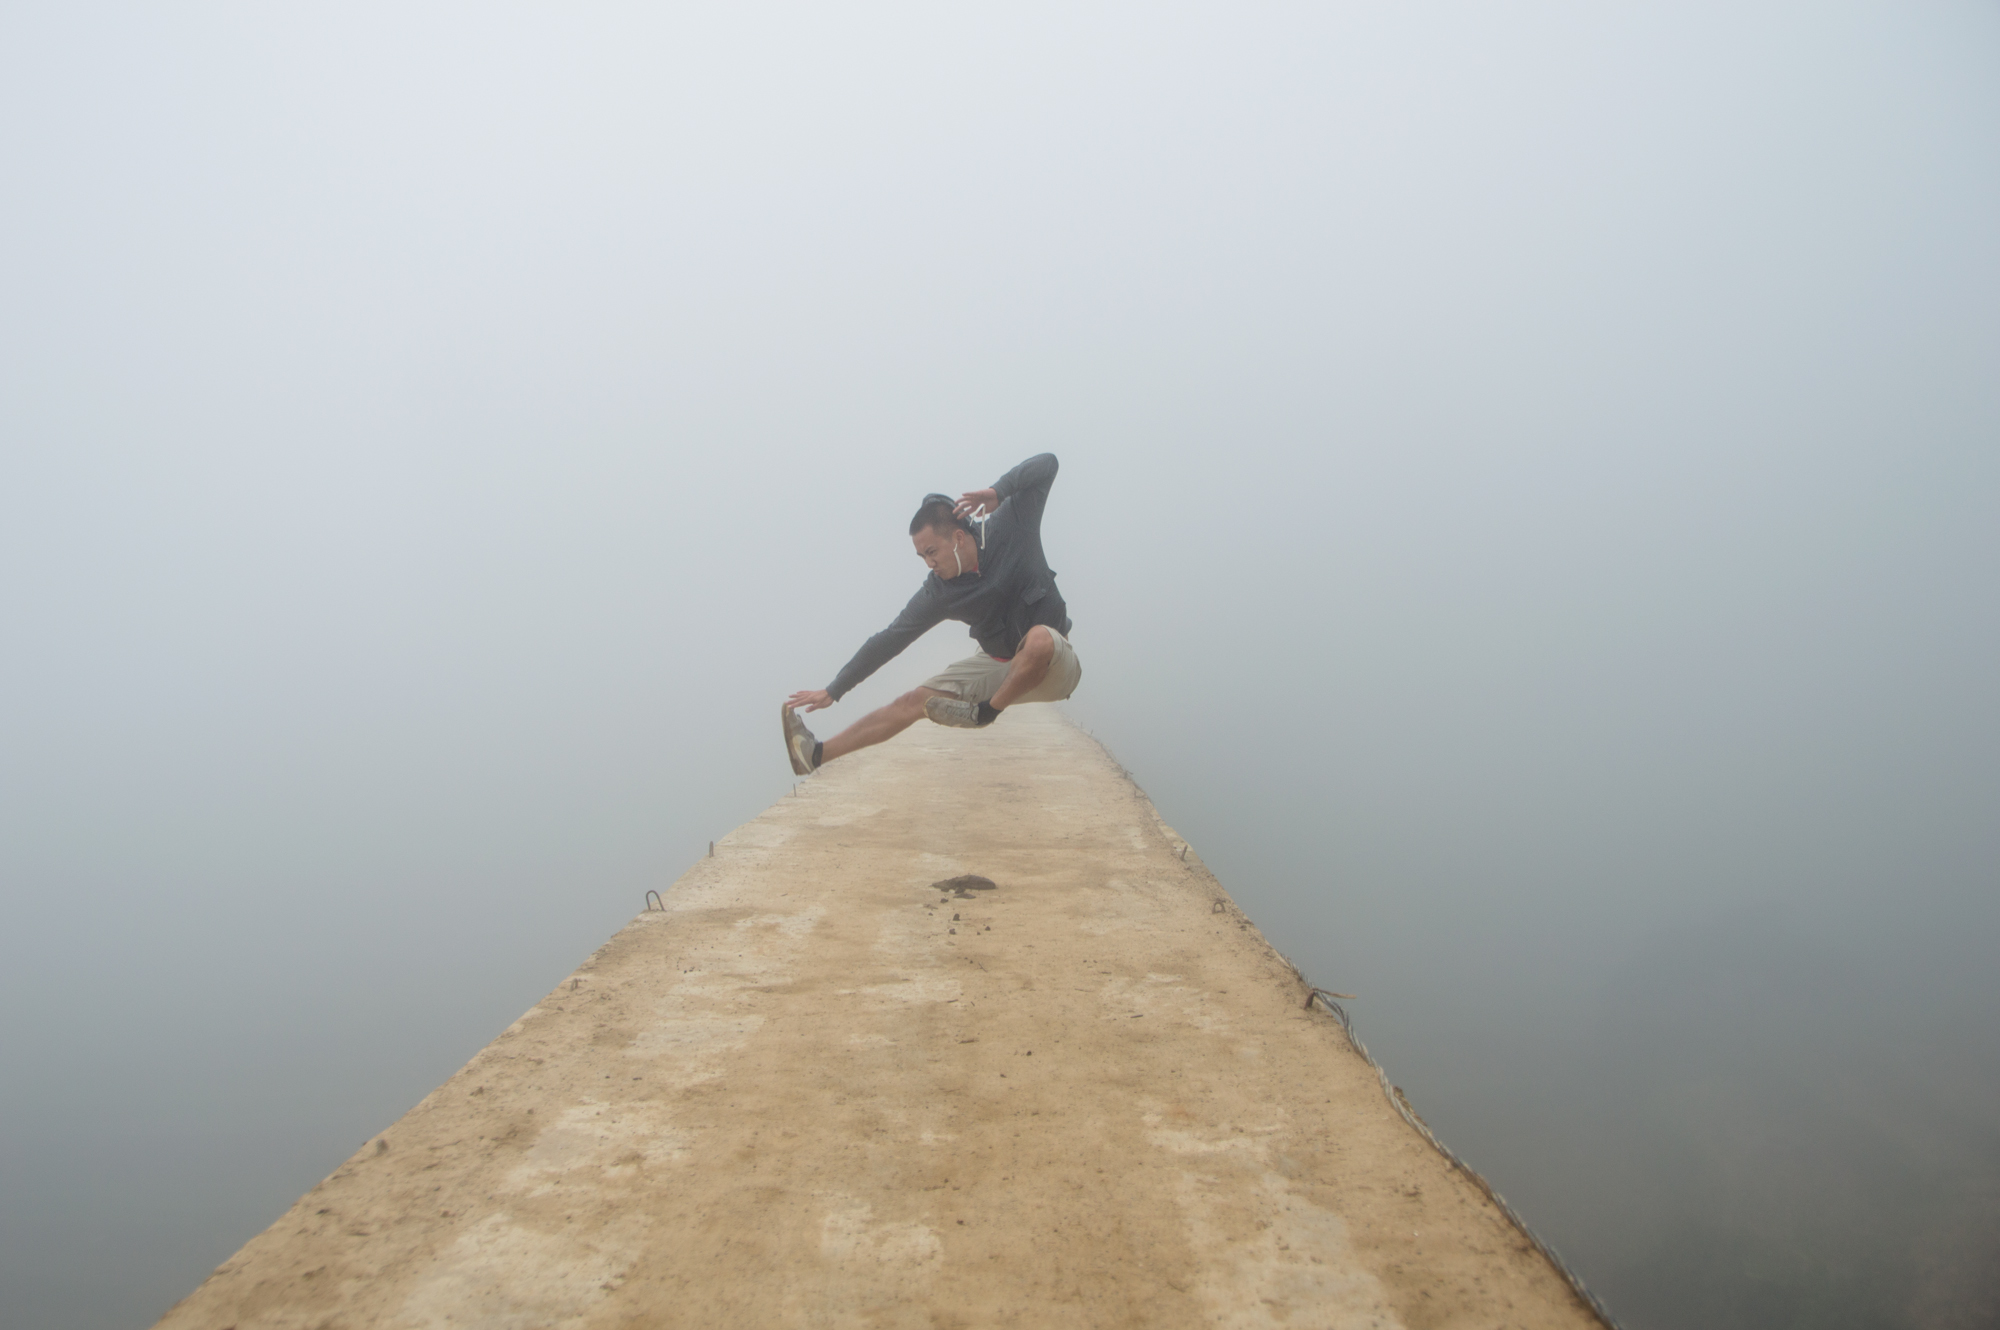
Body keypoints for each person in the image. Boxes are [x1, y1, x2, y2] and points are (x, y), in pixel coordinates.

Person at [782, 453, 1080, 774]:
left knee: (1038, 640)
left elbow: (1048, 464)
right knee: (913, 701)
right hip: (1000, 664)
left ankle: (984, 714)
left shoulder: (1011, 524)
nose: (928, 563)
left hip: (1054, 663)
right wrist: (834, 689)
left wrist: (999, 491)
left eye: (931, 551)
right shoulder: (939, 592)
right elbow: (889, 639)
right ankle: (813, 755)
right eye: (921, 556)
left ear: (958, 537)